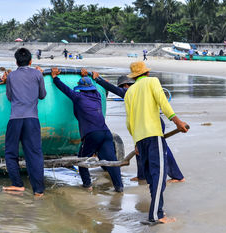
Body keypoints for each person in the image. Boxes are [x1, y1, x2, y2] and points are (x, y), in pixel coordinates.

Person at [88, 71, 185, 183]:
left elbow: (115, 90)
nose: (125, 88)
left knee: (162, 150)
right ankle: (142, 175)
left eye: (125, 86)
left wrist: (98, 79)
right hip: (142, 126)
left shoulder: (132, 91)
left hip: (153, 125)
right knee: (139, 150)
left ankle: (177, 176)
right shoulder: (140, 90)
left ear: (127, 85)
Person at [124, 61, 188, 224]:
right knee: (159, 175)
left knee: (153, 178)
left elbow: (129, 123)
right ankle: (156, 215)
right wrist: (177, 121)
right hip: (153, 135)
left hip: (140, 138)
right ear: (146, 73)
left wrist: (136, 143)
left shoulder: (129, 92)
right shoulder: (152, 82)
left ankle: (157, 210)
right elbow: (163, 102)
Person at [50, 68, 124, 192]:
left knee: (81, 159)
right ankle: (119, 187)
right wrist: (94, 78)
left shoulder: (78, 97)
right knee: (111, 161)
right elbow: (97, 87)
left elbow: (64, 89)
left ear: (81, 88)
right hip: (106, 133)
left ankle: (87, 184)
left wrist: (55, 78)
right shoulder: (98, 96)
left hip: (92, 134)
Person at [1, 48, 46, 197]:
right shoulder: (38, 74)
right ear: (31, 61)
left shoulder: (11, 76)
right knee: (34, 154)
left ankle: (17, 184)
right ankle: (38, 190)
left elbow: (9, 96)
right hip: (32, 119)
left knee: (10, 153)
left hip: (15, 119)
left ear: (16, 62)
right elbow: (42, 95)